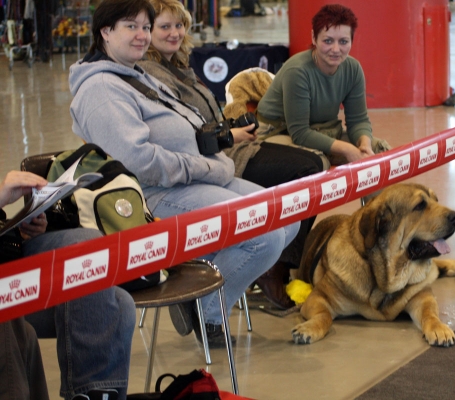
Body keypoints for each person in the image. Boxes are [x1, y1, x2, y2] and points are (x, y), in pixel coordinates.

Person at [68, 0, 299, 346]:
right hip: (153, 195)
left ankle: (197, 279)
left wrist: (211, 158)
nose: (142, 36)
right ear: (105, 32)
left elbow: (189, 129)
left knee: (287, 216)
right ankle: (207, 310)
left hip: (197, 177)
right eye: (131, 26)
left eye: (145, 27)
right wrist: (207, 165)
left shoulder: (136, 74)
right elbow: (139, 162)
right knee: (262, 236)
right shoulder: (101, 89)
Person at [138, 0, 322, 311]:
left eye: (179, 25)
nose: (175, 33)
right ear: (146, 32)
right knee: (303, 173)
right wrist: (228, 135)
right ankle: (262, 274)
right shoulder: (150, 73)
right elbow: (180, 135)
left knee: (306, 175)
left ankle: (266, 267)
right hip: (210, 161)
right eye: (165, 26)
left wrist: (231, 128)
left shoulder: (179, 66)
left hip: (223, 153)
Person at [0, 170, 136, 400]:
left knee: (88, 247)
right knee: (120, 304)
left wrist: (22, 227)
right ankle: (88, 391)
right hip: (7, 285)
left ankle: (91, 394)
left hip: (12, 256)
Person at [256, 4, 391, 169]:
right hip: (278, 132)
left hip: (322, 130)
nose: (336, 49)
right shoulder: (298, 71)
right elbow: (299, 133)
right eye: (328, 41)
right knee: (316, 162)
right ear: (314, 38)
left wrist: (365, 143)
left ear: (352, 40)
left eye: (343, 41)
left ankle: (379, 196)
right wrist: (347, 149)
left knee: (380, 152)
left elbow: (358, 120)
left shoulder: (353, 69)